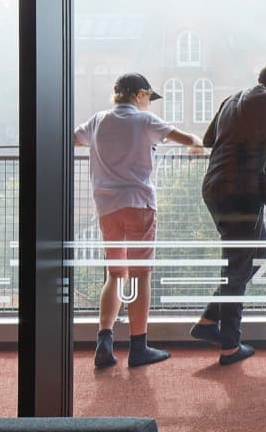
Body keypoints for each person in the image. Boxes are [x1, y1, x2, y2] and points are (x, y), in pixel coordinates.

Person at [74, 72, 202, 369]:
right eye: (148, 98)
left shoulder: (98, 120)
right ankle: (138, 346)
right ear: (139, 94)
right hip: (139, 203)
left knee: (116, 273)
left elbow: (74, 139)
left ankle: (104, 340)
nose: (149, 104)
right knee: (141, 275)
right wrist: (195, 143)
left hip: (106, 206)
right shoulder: (145, 122)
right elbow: (186, 138)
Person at [194, 63, 266, 367]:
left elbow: (208, 139)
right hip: (241, 192)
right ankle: (229, 345)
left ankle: (208, 321)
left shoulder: (233, 99)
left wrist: (262, 137)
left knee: (260, 252)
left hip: (216, 188)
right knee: (238, 267)